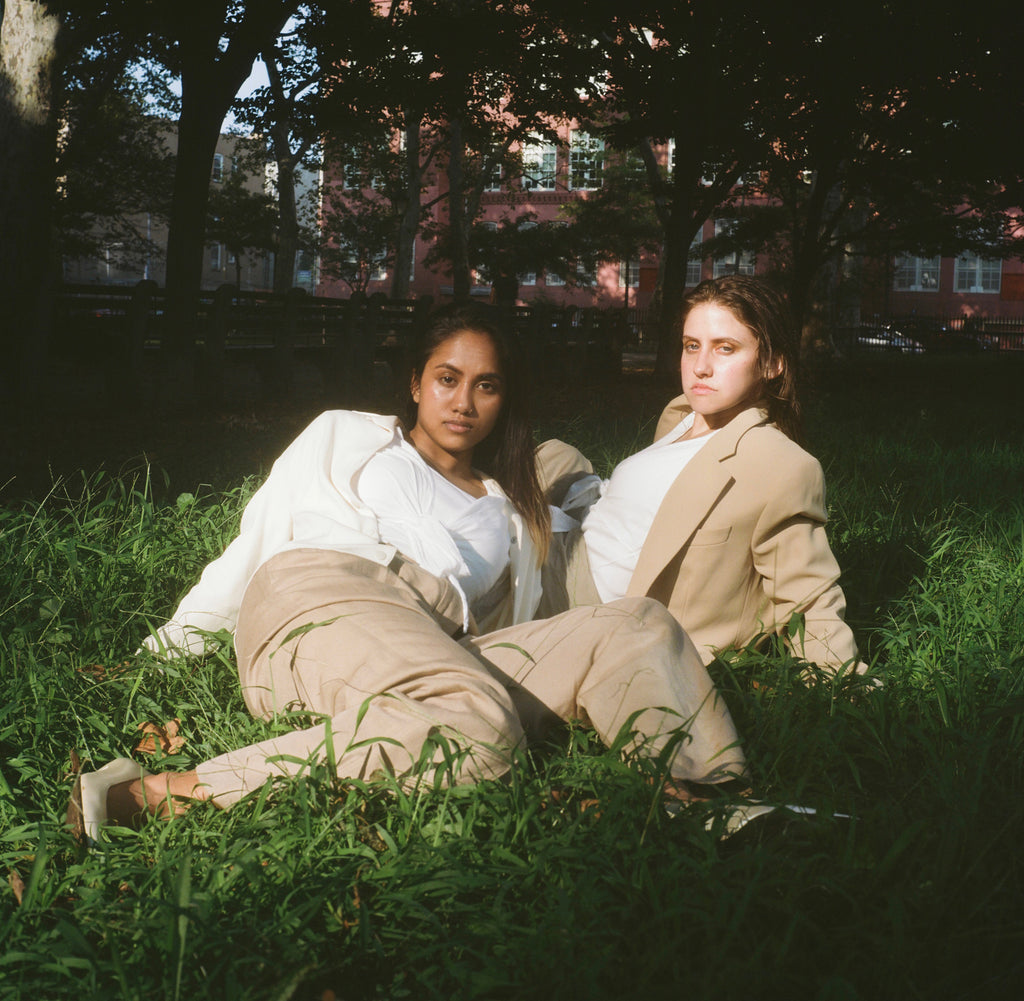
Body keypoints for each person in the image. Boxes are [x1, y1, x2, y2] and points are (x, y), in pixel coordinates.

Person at [68, 303, 745, 840]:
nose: (463, 401)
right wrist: (169, 648)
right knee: (479, 722)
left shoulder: (512, 513)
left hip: (437, 645)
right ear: (417, 381)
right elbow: (256, 540)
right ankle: (157, 792)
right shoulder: (350, 437)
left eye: (487, 386)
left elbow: (588, 546)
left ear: (505, 400)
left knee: (637, 624)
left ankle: (710, 797)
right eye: (447, 378)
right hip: (329, 595)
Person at [537, 275, 867, 677]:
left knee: (489, 525)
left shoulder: (779, 464)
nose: (701, 367)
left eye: (725, 348)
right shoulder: (685, 413)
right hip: (593, 512)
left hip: (582, 588)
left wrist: (842, 678)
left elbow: (808, 596)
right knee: (554, 453)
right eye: (692, 346)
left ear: (773, 363)